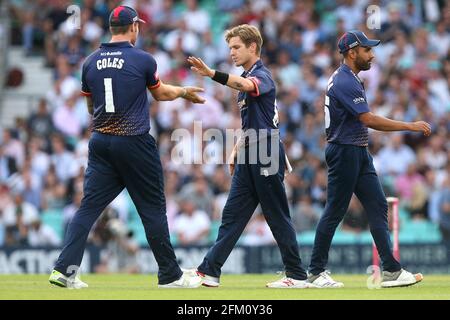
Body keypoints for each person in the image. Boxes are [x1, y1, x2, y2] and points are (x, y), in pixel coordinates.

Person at [49, 6, 205, 289]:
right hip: (134, 142)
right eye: (138, 25)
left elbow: (90, 105)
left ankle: (64, 270)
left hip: (100, 141)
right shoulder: (143, 59)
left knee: (87, 209)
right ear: (133, 26)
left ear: (111, 27)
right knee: (153, 209)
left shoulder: (90, 61)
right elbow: (160, 93)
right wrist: (183, 91)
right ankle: (170, 275)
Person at [187, 24, 312, 288]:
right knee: (232, 215)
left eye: (236, 47)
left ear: (253, 47)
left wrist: (211, 74)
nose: (231, 52)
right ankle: (210, 270)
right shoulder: (247, 78)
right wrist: (236, 149)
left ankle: (297, 275)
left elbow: (245, 84)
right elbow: (252, 122)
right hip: (250, 150)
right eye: (230, 48)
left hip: (266, 150)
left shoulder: (262, 75)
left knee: (276, 214)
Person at [307, 30, 430, 288]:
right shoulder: (345, 81)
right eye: (367, 50)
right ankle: (316, 272)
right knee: (335, 210)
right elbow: (368, 119)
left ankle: (391, 271)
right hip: (345, 151)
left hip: (356, 150)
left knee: (377, 205)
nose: (372, 55)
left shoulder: (349, 77)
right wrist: (409, 126)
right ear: (352, 52)